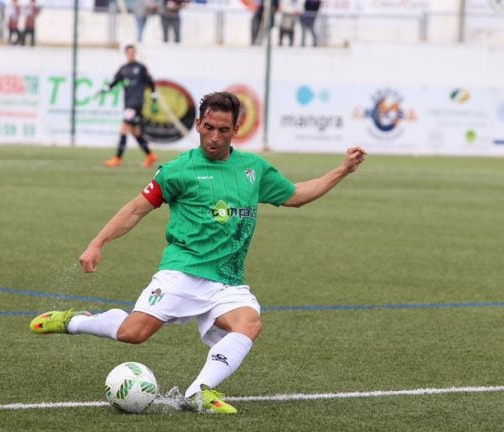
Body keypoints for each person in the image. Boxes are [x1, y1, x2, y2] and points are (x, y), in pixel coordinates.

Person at [29, 91, 367, 414]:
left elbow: (296, 195)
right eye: (208, 128)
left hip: (227, 281)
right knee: (133, 333)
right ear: (198, 126)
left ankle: (199, 392)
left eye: (223, 130)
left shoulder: (253, 169)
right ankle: (76, 321)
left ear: (236, 130)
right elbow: (135, 209)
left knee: (249, 323)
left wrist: (342, 170)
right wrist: (97, 243)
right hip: (182, 271)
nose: (214, 137)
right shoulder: (178, 169)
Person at [100, 45, 159, 169]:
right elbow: (114, 81)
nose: (131, 54)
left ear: (135, 53)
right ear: (126, 54)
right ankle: (150, 155)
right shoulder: (124, 69)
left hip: (135, 104)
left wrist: (154, 95)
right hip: (128, 103)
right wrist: (106, 89)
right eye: (129, 53)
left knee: (123, 129)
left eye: (133, 52)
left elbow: (150, 82)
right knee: (135, 132)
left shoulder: (141, 68)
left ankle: (117, 158)